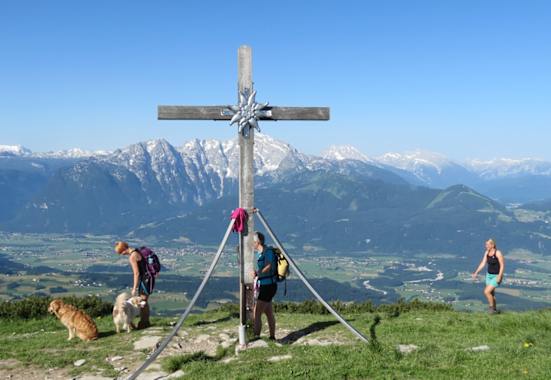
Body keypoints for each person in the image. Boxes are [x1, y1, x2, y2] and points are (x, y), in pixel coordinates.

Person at [114, 241, 151, 328]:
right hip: (149, 278)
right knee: (144, 300)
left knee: (142, 301)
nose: (122, 254)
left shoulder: (132, 257)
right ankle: (143, 322)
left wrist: (134, 287)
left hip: (144, 279)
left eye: (121, 252)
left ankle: (144, 323)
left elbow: (136, 273)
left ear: (123, 250)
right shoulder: (137, 250)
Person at [251, 232, 277, 340]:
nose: (251, 244)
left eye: (252, 242)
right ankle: (272, 337)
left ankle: (256, 337)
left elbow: (269, 265)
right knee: (268, 312)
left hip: (268, 286)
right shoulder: (262, 253)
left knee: (256, 313)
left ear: (258, 242)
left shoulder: (268, 251)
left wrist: (258, 273)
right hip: (267, 285)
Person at [472, 239, 505, 314]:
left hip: (496, 276)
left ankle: (491, 309)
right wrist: (476, 272)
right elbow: (483, 263)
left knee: (486, 292)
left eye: (487, 244)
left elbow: (502, 265)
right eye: (485, 244)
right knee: (491, 294)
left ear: (492, 245)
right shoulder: (487, 252)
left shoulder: (498, 253)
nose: (485, 246)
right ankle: (495, 310)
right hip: (489, 275)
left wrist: (499, 276)